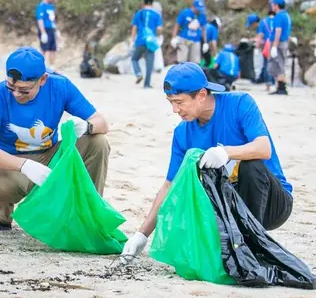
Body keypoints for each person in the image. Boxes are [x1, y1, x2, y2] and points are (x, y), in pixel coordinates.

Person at [119, 62, 293, 264]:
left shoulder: (240, 103)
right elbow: (169, 185)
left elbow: (264, 148)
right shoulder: (182, 133)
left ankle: (253, 248)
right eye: (170, 102)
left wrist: (226, 152)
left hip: (272, 202)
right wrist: (142, 234)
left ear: (201, 95)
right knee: (189, 184)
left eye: (179, 102)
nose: (175, 110)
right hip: (229, 206)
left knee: (250, 165)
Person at [0, 47, 110, 230]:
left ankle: (88, 212)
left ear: (43, 79)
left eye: (24, 90)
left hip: (49, 155)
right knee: (2, 186)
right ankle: (3, 214)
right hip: (10, 162)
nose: (15, 94)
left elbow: (102, 123)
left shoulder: (60, 86)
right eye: (11, 87)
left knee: (98, 142)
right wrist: (25, 166)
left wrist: (87, 126)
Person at [129, 0, 163, 89]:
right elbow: (159, 29)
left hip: (140, 40)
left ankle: (138, 73)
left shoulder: (139, 13)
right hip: (151, 41)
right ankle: (147, 84)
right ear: (152, 3)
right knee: (149, 64)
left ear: (143, 3)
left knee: (134, 59)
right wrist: (159, 37)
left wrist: (132, 40)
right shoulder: (157, 14)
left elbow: (134, 28)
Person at [170, 0, 207, 64]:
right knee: (182, 60)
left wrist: (205, 43)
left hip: (196, 40)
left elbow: (204, 29)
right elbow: (177, 25)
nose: (199, 10)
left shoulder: (202, 15)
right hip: (184, 39)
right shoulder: (185, 13)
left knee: (195, 62)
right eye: (198, 8)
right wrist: (173, 38)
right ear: (194, 6)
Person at [268, 0, 292, 96]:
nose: (272, 7)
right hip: (284, 42)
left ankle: (282, 88)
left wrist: (274, 46)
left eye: (273, 5)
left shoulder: (279, 16)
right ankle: (280, 86)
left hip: (279, 43)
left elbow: (278, 31)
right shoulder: (286, 15)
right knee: (280, 64)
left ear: (276, 6)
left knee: (279, 64)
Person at [35, 0, 60, 71]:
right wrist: (43, 32)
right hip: (45, 29)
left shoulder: (51, 6)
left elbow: (52, 19)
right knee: (44, 49)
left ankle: (52, 66)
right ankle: (41, 66)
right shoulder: (41, 6)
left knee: (53, 49)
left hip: (52, 29)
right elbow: (40, 19)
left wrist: (56, 30)